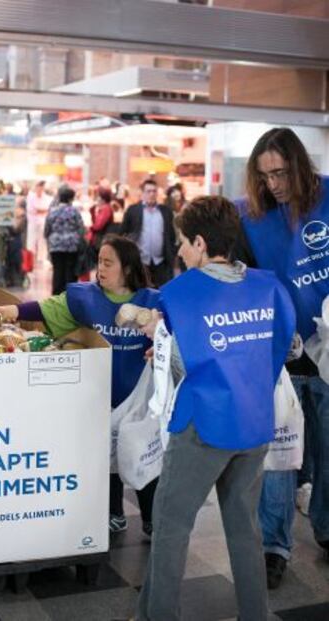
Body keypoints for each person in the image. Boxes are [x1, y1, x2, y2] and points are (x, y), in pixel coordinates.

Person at [115, 196, 295, 621]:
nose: (178, 251)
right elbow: (288, 348)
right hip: (254, 424)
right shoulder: (268, 286)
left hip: (203, 426)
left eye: (182, 241)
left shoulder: (183, 294)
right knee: (245, 530)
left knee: (171, 528)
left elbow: (186, 364)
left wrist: (159, 339)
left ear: (200, 242)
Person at [0, 235, 160, 537]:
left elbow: (175, 337)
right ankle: (113, 513)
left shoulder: (153, 302)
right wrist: (13, 312)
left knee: (142, 456)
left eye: (108, 263)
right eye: (99, 262)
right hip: (101, 393)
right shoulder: (86, 298)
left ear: (127, 268)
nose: (101, 268)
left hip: (140, 396)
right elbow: (48, 309)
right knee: (106, 454)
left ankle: (152, 517)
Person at [234, 127, 329, 587]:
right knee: (279, 456)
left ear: (299, 166)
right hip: (281, 354)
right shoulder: (251, 217)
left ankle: (326, 529)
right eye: (265, 175)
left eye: (281, 173)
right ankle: (273, 547)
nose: (273, 184)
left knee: (327, 452)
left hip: (327, 352)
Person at [120, 178, 176, 288]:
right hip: (140, 261)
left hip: (161, 262)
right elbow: (123, 232)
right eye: (148, 191)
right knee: (140, 291)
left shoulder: (165, 211)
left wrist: (172, 253)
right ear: (142, 193)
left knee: (161, 292)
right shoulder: (133, 210)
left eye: (154, 191)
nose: (151, 194)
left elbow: (171, 235)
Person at [44, 185, 85, 295]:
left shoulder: (52, 211)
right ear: (70, 199)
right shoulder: (74, 211)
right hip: (72, 246)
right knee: (70, 272)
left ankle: (56, 296)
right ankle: (69, 296)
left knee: (57, 271)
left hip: (55, 246)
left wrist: (49, 239)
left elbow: (47, 229)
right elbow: (81, 228)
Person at [26, 180, 51, 265]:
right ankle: (30, 259)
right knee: (31, 241)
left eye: (42, 186)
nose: (40, 188)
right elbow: (31, 210)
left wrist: (40, 210)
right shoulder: (31, 197)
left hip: (43, 223)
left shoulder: (47, 198)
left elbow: (48, 209)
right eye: (39, 186)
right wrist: (41, 210)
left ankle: (41, 259)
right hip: (32, 222)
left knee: (42, 241)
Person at [88, 187, 114, 260]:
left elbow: (98, 226)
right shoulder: (104, 208)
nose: (96, 199)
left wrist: (90, 228)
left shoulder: (105, 209)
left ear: (103, 199)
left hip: (100, 239)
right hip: (100, 238)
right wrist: (92, 211)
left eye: (98, 197)